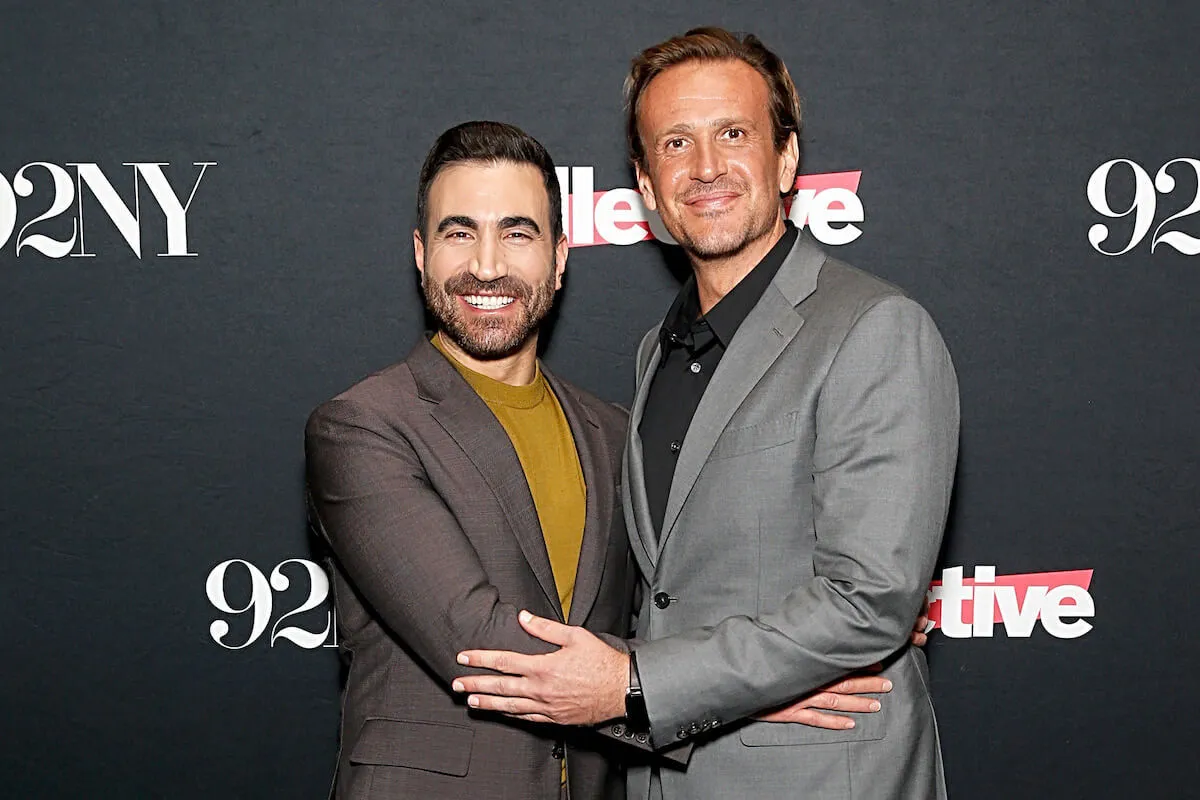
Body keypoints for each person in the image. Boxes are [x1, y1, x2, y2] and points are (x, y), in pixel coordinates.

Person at [305, 120, 901, 800]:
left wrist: (849, 611)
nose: (488, 264)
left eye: (518, 232)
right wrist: (740, 698)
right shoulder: (362, 426)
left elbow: (672, 608)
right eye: (459, 232)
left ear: (560, 257)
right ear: (420, 253)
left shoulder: (615, 430)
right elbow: (482, 645)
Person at [454, 28, 960, 800]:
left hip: (819, 778)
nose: (707, 168)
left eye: (734, 134)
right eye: (676, 143)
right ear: (647, 185)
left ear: (786, 159)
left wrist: (638, 684)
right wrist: (726, 689)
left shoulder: (874, 327)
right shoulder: (657, 350)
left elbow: (870, 600)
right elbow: (669, 591)